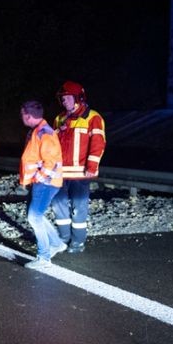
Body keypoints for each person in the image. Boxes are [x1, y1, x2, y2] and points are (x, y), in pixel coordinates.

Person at [52, 81, 106, 253]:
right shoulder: (59, 118)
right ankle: (63, 238)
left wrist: (92, 166)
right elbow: (51, 145)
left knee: (78, 208)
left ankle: (78, 242)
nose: (64, 101)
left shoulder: (93, 118)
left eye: (68, 98)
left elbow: (98, 143)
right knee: (58, 206)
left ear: (79, 98)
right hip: (60, 173)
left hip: (81, 173)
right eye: (62, 98)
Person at [19, 100, 66, 268]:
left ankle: (44, 258)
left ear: (28, 116)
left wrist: (38, 177)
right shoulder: (38, 131)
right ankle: (56, 244)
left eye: (22, 114)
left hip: (46, 182)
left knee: (34, 216)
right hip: (43, 182)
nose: (21, 117)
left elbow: (50, 161)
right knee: (35, 215)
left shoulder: (43, 133)